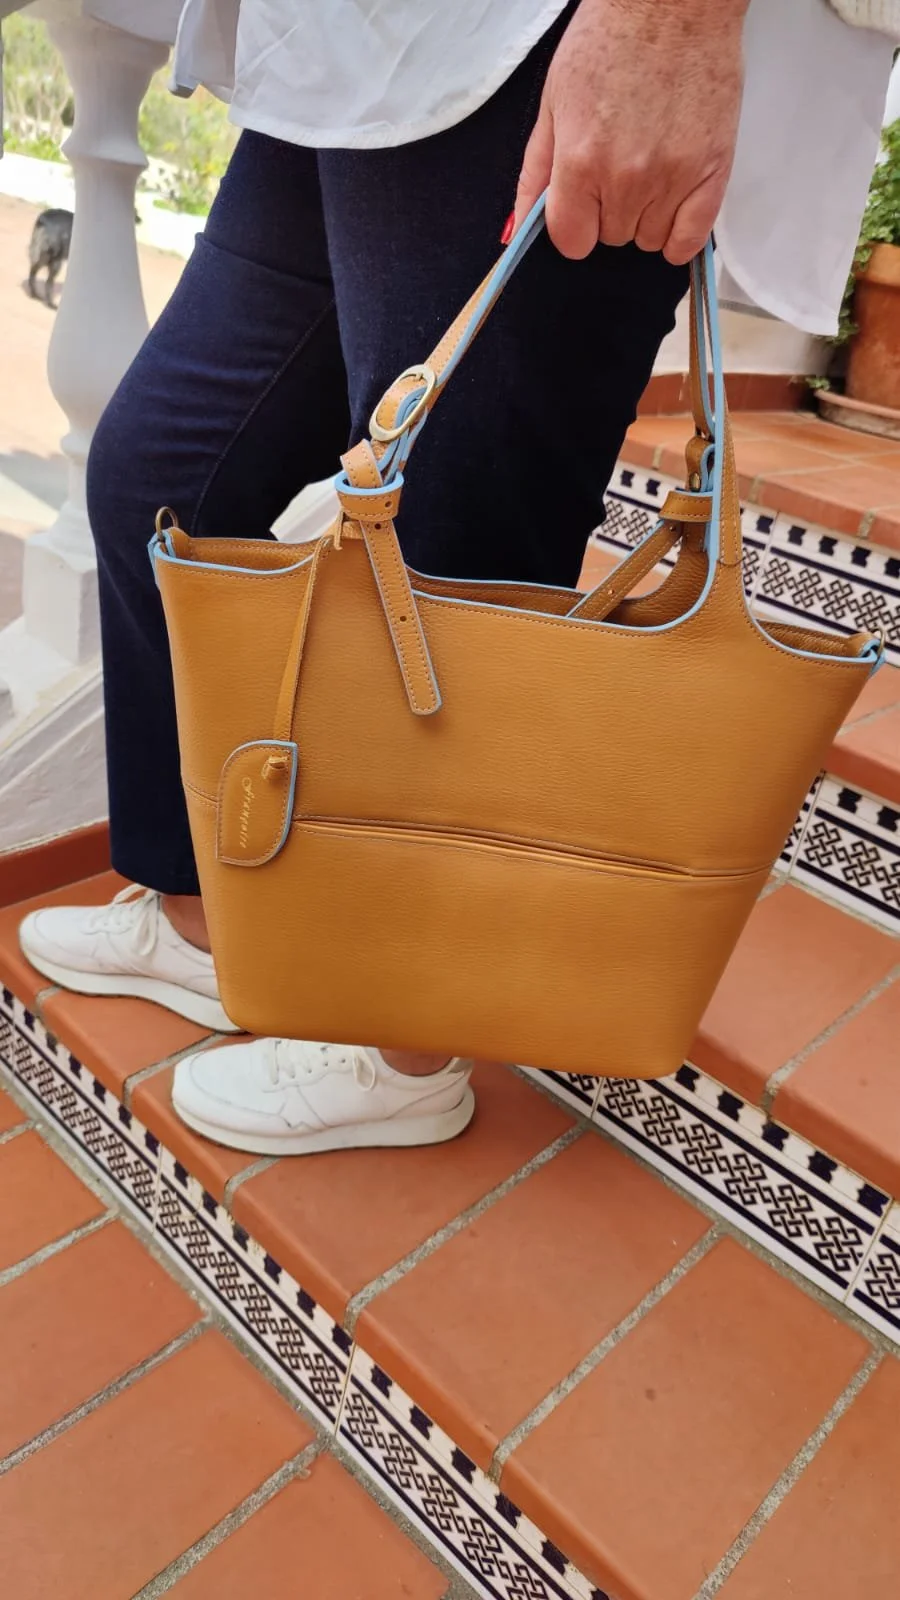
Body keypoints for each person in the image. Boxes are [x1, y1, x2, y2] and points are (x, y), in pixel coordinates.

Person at [19, 0, 897, 1157]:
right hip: (355, 43)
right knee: (162, 468)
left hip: (544, 31)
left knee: (459, 525)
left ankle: (406, 1044)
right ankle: (203, 917)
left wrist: (667, 19)